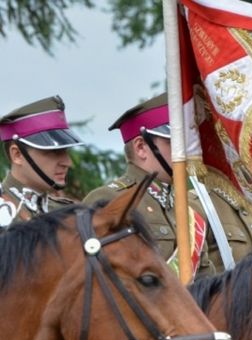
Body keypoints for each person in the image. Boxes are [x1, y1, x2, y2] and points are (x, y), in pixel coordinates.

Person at [84, 93, 207, 277]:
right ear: (141, 147)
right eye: (175, 143)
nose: (186, 152)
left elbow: (207, 281)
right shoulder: (108, 200)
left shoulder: (189, 211)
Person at [0, 96, 83, 228]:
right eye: (53, 152)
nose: (68, 163)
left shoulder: (68, 214)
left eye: (66, 151)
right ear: (17, 155)